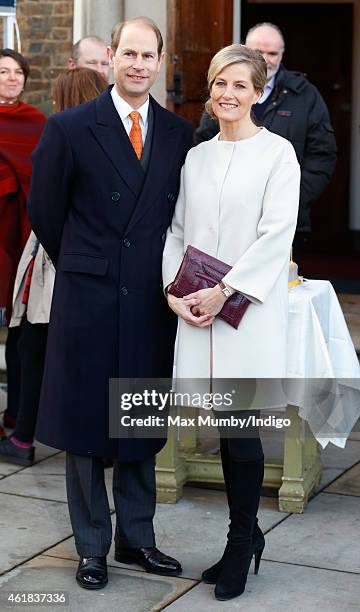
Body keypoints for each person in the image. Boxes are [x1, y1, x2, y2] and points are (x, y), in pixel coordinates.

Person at [27, 17, 193, 591]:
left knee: (139, 422)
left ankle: (138, 539)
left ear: (161, 60)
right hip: (89, 298)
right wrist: (90, 263)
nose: (138, 64)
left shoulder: (178, 133)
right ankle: (92, 547)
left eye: (149, 55)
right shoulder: (71, 127)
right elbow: (46, 211)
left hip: (149, 300)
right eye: (128, 54)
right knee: (85, 428)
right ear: (111, 58)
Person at [163, 44, 300, 601]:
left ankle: (241, 543)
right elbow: (176, 231)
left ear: (259, 92)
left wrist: (226, 291)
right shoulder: (196, 157)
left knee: (243, 435)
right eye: (220, 83)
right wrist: (175, 293)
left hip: (246, 315)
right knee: (221, 431)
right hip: (198, 314)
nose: (227, 94)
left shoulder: (279, 155)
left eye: (240, 85)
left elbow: (277, 235)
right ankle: (245, 535)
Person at [0, 68, 108, 465]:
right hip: (98, 259)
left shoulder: (62, 132)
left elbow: (43, 205)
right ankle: (113, 446)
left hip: (57, 256)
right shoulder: (118, 138)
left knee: (34, 347)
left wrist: (64, 253)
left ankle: (23, 438)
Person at [194, 22, 336, 241]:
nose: (264, 59)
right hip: (227, 223)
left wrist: (286, 199)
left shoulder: (305, 95)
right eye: (257, 52)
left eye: (272, 53)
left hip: (287, 222)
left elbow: (322, 155)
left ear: (282, 55)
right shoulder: (224, 99)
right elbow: (204, 147)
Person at [0, 49, 46, 437]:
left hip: (22, 239)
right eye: (4, 71)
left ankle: (16, 417)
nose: (13, 78)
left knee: (18, 337)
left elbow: (42, 177)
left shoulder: (36, 122)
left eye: (19, 72)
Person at [38, 35, 110, 117]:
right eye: (92, 63)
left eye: (104, 64)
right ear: (72, 65)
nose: (100, 70)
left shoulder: (118, 108)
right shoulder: (45, 114)